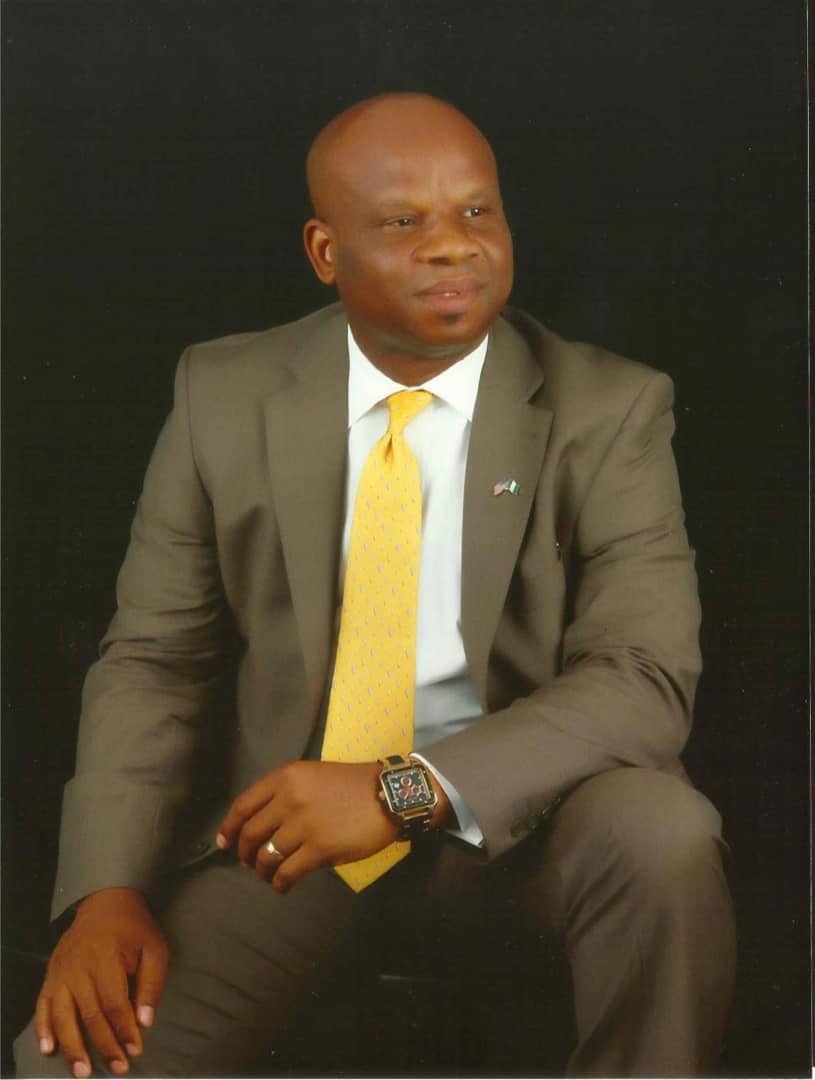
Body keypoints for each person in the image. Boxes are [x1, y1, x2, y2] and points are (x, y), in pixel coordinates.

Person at [14, 92, 736, 1078]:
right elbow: (155, 662)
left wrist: (403, 790)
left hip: (530, 826)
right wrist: (105, 894)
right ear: (325, 251)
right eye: (402, 222)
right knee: (73, 1061)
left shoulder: (609, 409)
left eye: (475, 211)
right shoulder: (223, 394)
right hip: (289, 844)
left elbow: (642, 678)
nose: (452, 245)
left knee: (662, 833)